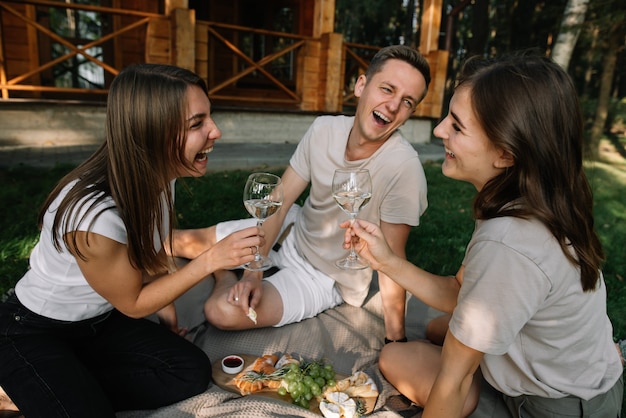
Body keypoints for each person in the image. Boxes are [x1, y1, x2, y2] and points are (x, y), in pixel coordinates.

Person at [344, 52, 624, 418]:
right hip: (580, 379)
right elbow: (462, 294)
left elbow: (454, 380)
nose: (439, 130)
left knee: (403, 356)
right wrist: (387, 261)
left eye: (457, 127)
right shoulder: (530, 199)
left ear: (506, 154)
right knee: (425, 336)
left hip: (554, 408)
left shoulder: (508, 243)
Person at [0, 64, 264, 417]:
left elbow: (149, 257)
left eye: (209, 117)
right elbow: (134, 304)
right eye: (197, 124)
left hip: (99, 321)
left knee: (190, 371)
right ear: (152, 133)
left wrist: (169, 323)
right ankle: (20, 390)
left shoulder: (158, 176)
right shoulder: (93, 217)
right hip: (32, 331)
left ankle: (59, 386)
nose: (215, 131)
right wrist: (212, 259)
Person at [189, 45, 430, 342]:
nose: (393, 106)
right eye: (387, 89)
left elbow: (393, 261)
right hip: (291, 228)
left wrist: (396, 341)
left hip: (323, 277)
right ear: (361, 85)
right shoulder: (323, 130)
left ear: (411, 113)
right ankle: (228, 269)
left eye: (406, 101)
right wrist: (254, 271)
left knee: (221, 311)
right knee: (182, 243)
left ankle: (224, 274)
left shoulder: (404, 168)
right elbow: (280, 200)